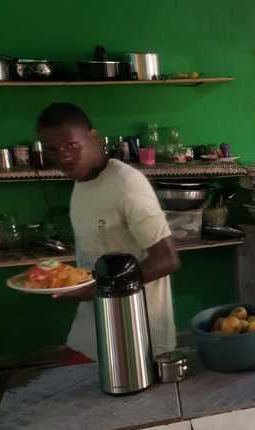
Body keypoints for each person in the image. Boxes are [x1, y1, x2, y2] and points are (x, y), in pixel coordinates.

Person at [37, 102, 180, 361]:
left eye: (71, 145)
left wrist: (93, 290)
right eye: (52, 150)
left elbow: (167, 260)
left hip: (136, 328)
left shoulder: (126, 183)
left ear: (93, 137)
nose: (63, 156)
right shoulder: (83, 182)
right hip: (94, 322)